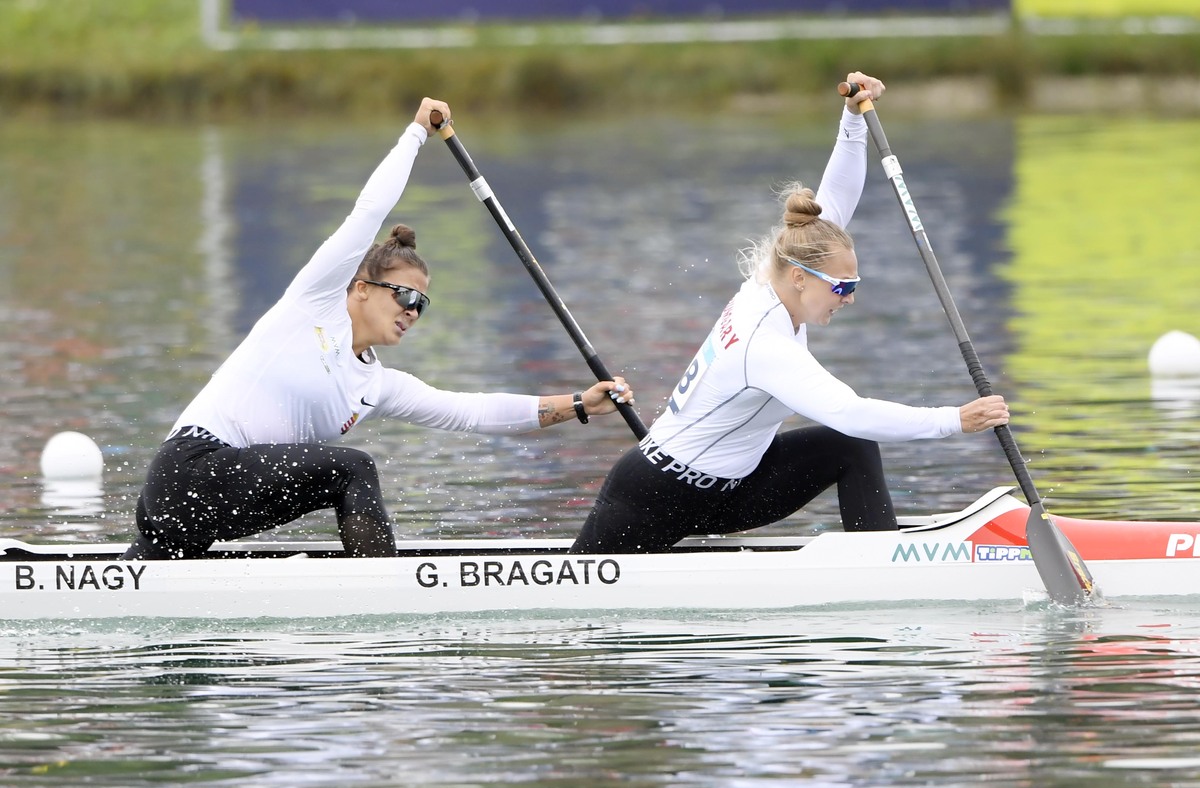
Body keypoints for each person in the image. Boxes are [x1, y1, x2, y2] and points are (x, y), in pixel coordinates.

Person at [124, 97, 635, 560]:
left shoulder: (377, 384)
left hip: (198, 514)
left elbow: (472, 412)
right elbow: (369, 211)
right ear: (361, 287)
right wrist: (415, 134)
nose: (413, 311)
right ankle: (385, 590)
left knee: (341, 476)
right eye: (406, 295)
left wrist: (577, 405)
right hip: (187, 472)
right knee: (354, 469)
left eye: (423, 305)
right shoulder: (313, 302)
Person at [570, 72, 1008, 554]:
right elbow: (851, 411)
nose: (850, 297)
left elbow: (833, 202)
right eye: (843, 287)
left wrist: (853, 120)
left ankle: (885, 565)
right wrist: (955, 420)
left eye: (854, 285)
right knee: (573, 612)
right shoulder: (766, 343)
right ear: (802, 278)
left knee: (849, 448)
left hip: (730, 488)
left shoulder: (779, 271)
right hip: (657, 495)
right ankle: (890, 572)